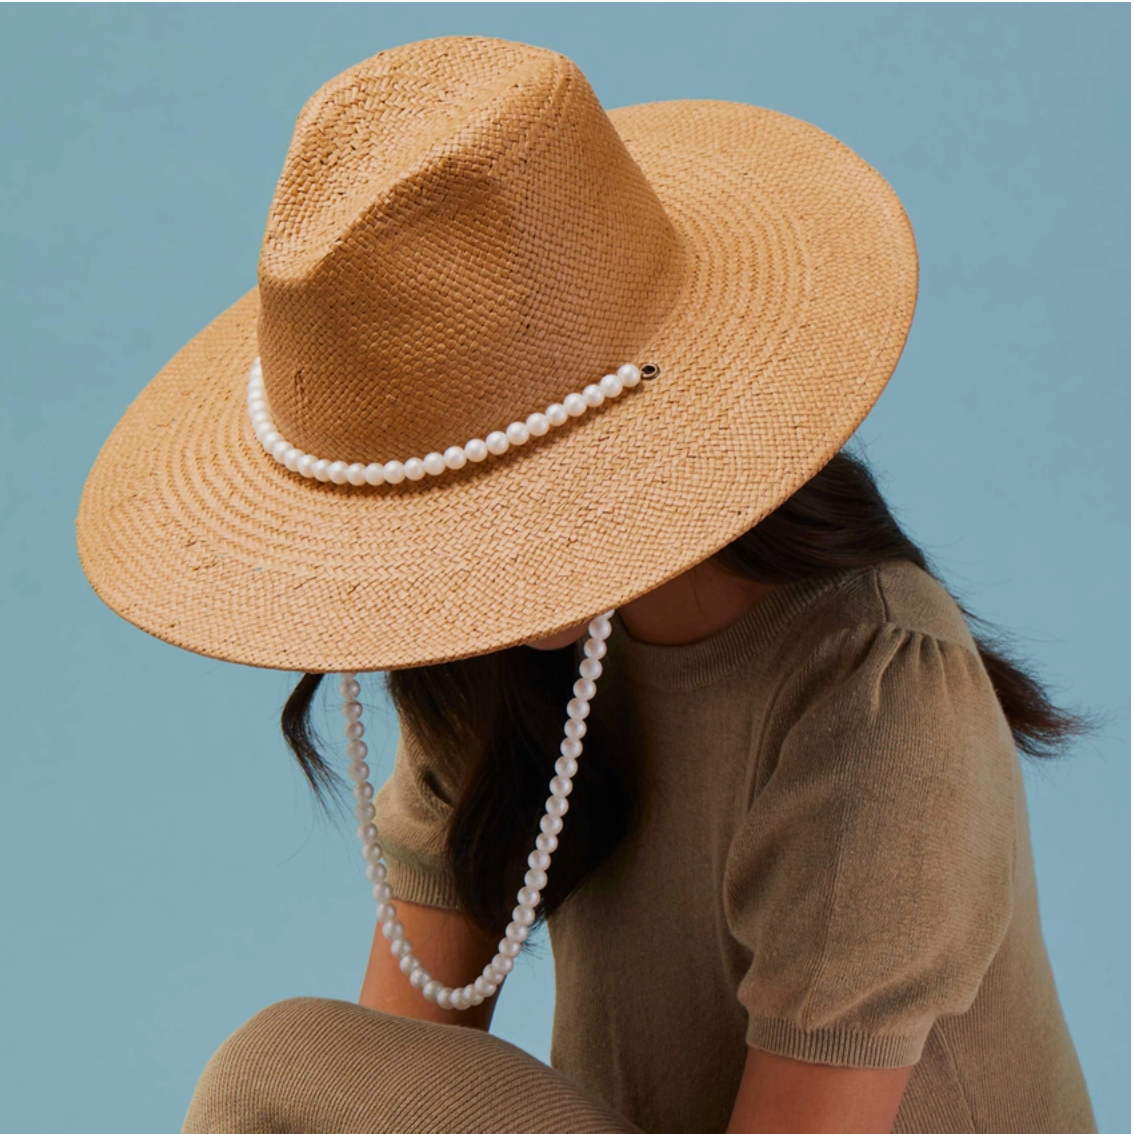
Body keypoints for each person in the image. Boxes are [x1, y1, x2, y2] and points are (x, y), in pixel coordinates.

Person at [75, 35, 1099, 1134]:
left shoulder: (880, 693)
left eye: (492, 483)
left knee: (277, 1062)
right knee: (289, 1079)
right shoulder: (504, 653)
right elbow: (377, 1090)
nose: (470, 548)